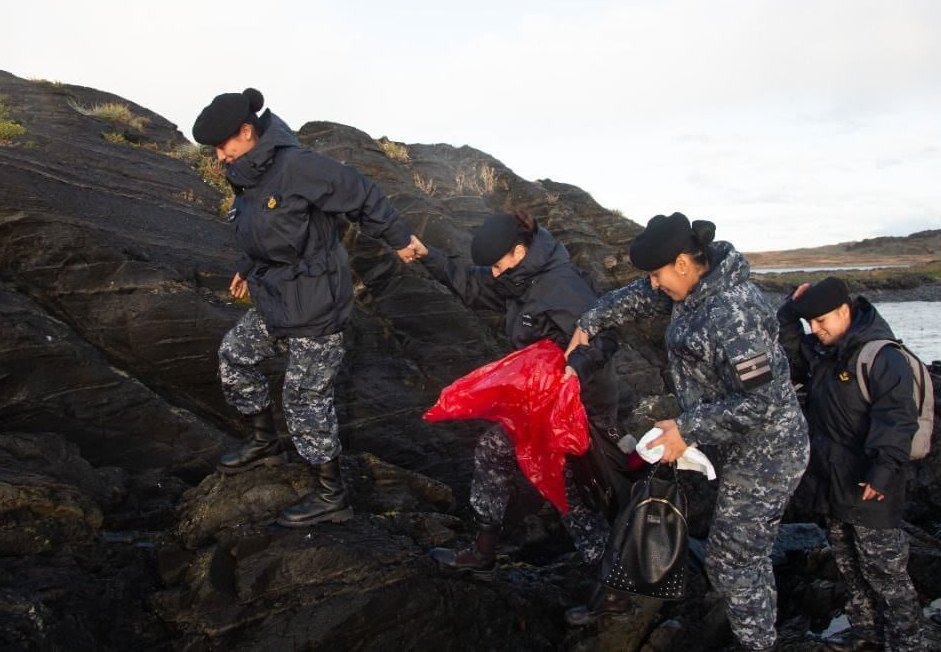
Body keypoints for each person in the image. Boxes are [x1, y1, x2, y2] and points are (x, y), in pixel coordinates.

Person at [566, 213, 809, 652]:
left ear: (682, 263)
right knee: (733, 555)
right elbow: (641, 296)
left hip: (767, 450)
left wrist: (687, 428)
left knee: (734, 562)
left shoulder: (734, 313)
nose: (654, 283)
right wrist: (591, 321)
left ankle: (760, 644)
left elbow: (762, 402)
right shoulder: (691, 289)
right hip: (726, 437)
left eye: (658, 273)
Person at [192, 87, 425, 527]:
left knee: (304, 397)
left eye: (223, 145)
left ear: (246, 131)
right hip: (275, 294)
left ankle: (331, 494)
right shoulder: (248, 173)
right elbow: (262, 229)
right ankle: (265, 442)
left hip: (316, 301)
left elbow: (360, 192)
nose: (219, 155)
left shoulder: (297, 166)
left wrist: (398, 239)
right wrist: (248, 265)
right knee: (234, 356)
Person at [417, 213, 623, 608]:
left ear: (519, 251)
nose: (493, 274)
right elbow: (473, 286)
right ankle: (482, 552)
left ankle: (614, 592)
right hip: (540, 403)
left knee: (569, 490)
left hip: (580, 407)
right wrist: (428, 255)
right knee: (493, 450)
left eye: (498, 264)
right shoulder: (518, 279)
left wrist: (572, 374)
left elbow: (606, 336)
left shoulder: (560, 285)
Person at [778, 277, 927, 652]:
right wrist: (791, 308)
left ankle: (908, 644)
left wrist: (882, 472)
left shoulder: (881, 355)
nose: (816, 330)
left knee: (888, 575)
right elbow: (790, 349)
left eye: (822, 321)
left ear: (845, 311)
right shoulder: (824, 351)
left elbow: (897, 418)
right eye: (811, 323)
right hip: (833, 482)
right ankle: (868, 637)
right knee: (851, 570)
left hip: (872, 485)